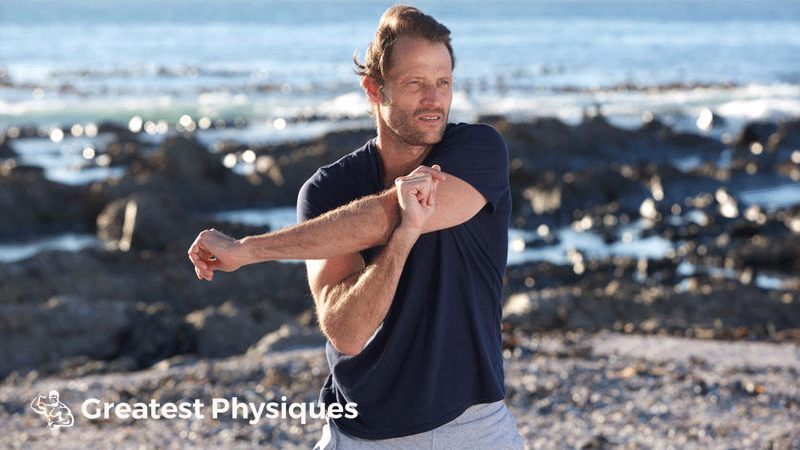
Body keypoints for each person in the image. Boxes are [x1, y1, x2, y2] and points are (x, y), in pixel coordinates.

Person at [188, 5, 524, 449]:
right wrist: (403, 240)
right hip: (361, 433)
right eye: (415, 83)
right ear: (374, 88)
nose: (434, 99)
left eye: (443, 83)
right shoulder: (326, 193)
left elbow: (382, 213)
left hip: (473, 427)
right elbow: (347, 332)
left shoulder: (478, 152)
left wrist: (250, 250)